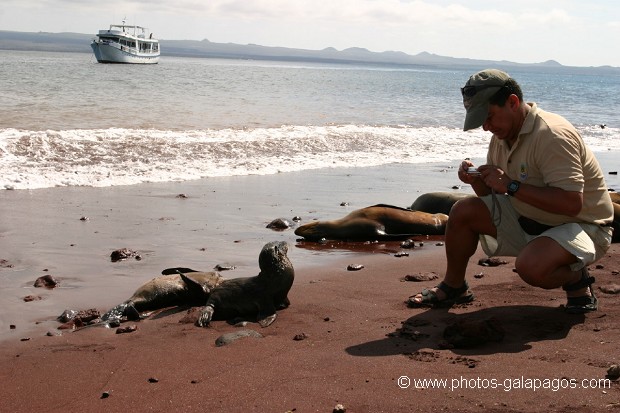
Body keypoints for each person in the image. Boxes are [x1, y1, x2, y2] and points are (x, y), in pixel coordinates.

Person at [407, 69, 614, 313]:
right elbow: (493, 197)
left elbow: (571, 204)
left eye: (489, 117)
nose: (486, 127)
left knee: (531, 267)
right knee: (463, 211)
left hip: (583, 227)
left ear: (513, 102)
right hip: (531, 220)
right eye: (480, 120)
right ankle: (455, 287)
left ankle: (576, 279)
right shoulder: (502, 136)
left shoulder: (552, 135)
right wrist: (477, 180)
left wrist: (511, 185)